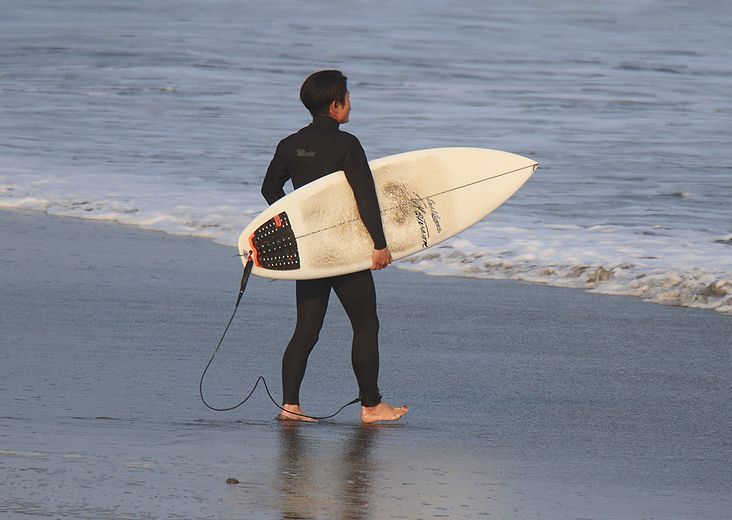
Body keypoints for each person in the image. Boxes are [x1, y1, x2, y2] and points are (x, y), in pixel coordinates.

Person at [261, 70, 408, 423]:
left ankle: (290, 407)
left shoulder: (289, 145)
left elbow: (270, 189)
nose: (350, 103)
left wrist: (296, 227)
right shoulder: (347, 145)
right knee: (365, 324)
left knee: (306, 330)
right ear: (334, 105)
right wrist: (379, 244)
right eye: (347, 97)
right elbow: (365, 197)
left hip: (312, 252)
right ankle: (372, 406)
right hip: (344, 251)